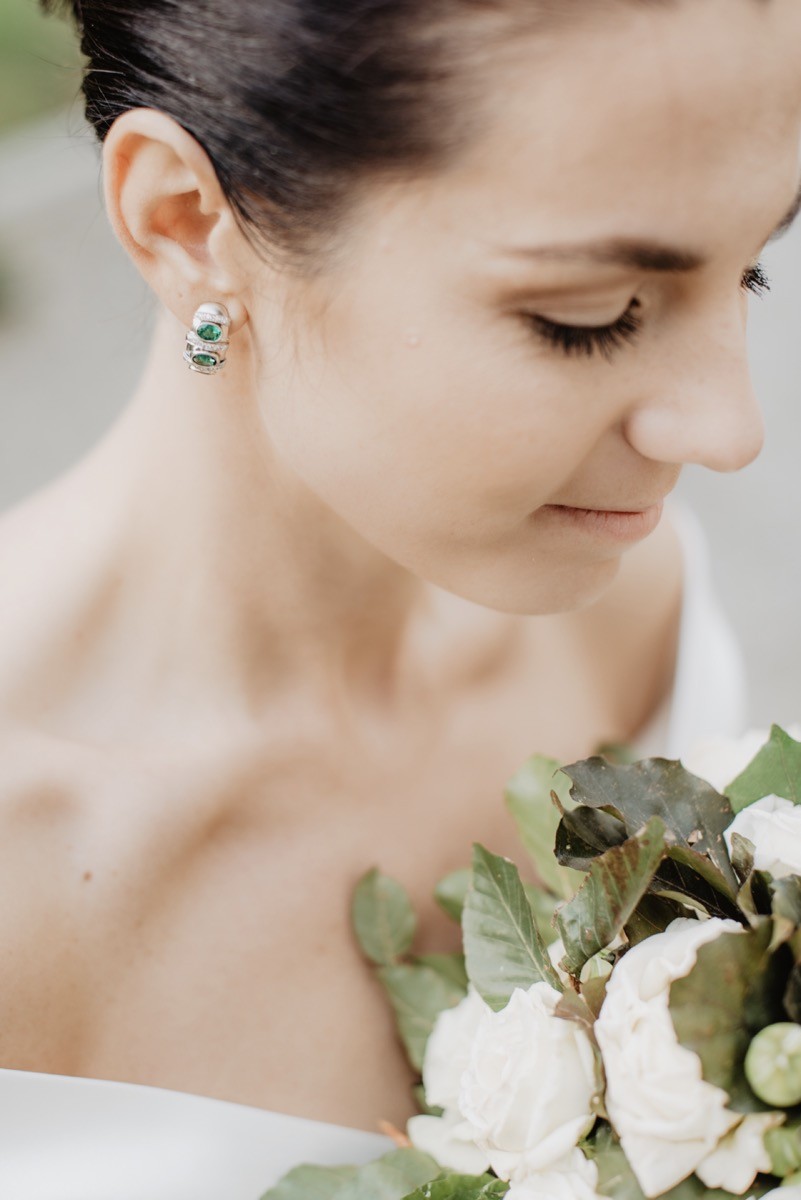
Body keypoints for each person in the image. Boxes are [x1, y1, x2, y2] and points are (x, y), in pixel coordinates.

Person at [0, 0, 800, 1194]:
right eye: (589, 317)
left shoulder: (630, 621)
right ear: (184, 225)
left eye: (755, 265)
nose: (730, 428)